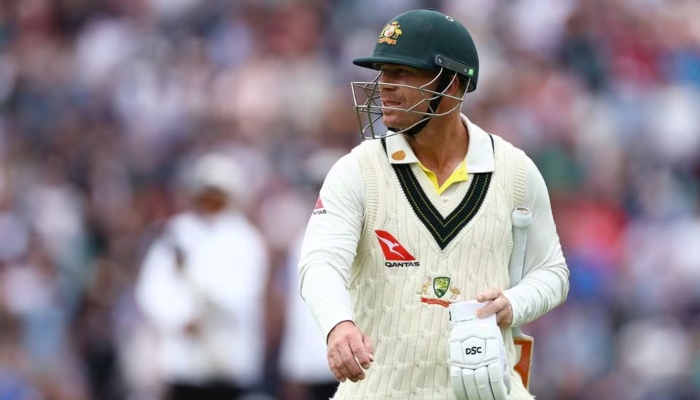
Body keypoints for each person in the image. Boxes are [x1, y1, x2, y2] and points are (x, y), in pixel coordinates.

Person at [298, 9, 570, 400]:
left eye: (402, 73)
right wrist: (338, 324)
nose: (384, 87)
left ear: (453, 84)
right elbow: (320, 262)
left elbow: (552, 272)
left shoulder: (515, 171)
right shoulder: (357, 170)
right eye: (383, 73)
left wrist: (513, 303)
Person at [135, 153, 270, 400]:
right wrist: (180, 318)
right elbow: (152, 288)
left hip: (229, 358)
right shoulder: (177, 233)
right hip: (185, 362)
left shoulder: (246, 240)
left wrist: (202, 293)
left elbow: (242, 292)